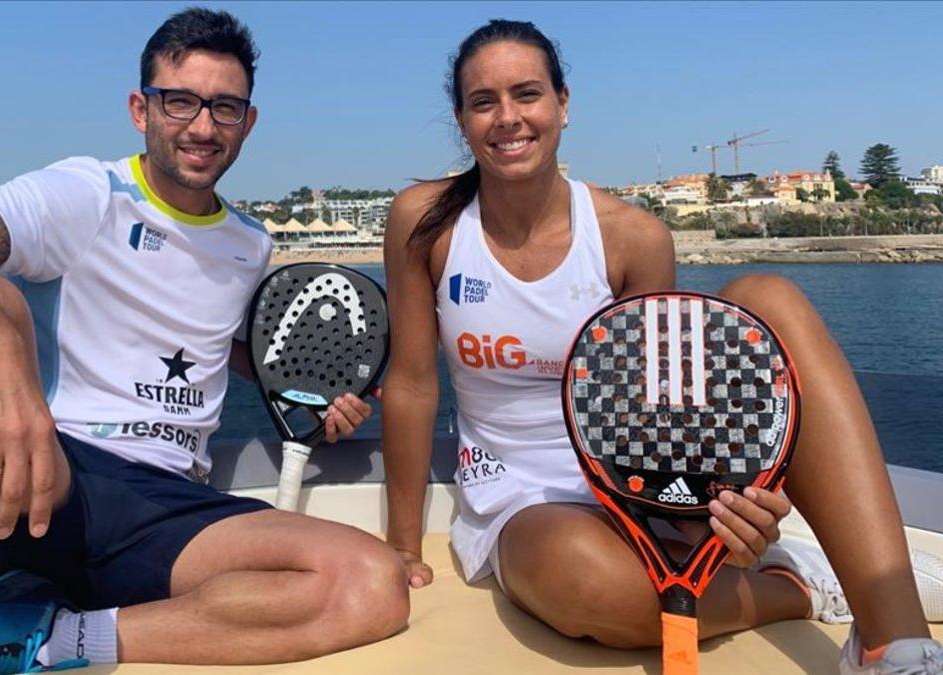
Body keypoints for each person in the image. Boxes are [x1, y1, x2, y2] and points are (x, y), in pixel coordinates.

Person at [380, 18, 942, 674]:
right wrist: (402, 545)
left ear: (563, 103)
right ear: (462, 118)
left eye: (527, 94)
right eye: (484, 102)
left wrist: (717, 508)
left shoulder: (633, 236)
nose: (508, 117)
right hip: (519, 496)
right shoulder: (426, 221)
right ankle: (798, 586)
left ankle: (893, 641)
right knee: (588, 583)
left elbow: (663, 409)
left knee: (769, 296)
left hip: (634, 478)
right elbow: (414, 383)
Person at [0, 8, 407, 674]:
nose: (203, 127)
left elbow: (225, 348)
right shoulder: (88, 194)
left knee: (371, 583)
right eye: (180, 102)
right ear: (140, 108)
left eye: (225, 108)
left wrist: (319, 401)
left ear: (249, 121)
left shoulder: (249, 242)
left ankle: (54, 639)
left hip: (168, 506)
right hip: (51, 478)